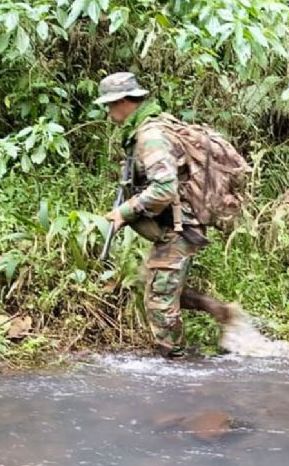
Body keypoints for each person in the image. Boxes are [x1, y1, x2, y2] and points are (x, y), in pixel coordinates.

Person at [96, 72, 234, 358]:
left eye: (110, 105)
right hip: (175, 226)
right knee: (160, 286)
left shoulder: (151, 135)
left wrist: (125, 212)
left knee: (159, 300)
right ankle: (220, 311)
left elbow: (164, 189)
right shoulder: (146, 128)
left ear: (123, 101)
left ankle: (176, 363)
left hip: (179, 229)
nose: (109, 113)